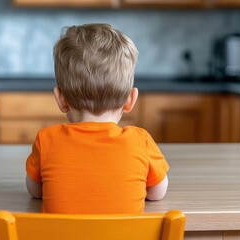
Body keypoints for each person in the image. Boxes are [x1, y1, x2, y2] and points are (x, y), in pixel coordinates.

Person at [26, 23, 169, 214]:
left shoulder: (46, 140)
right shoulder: (141, 141)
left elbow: (35, 191)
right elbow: (157, 192)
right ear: (130, 100)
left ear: (60, 99)